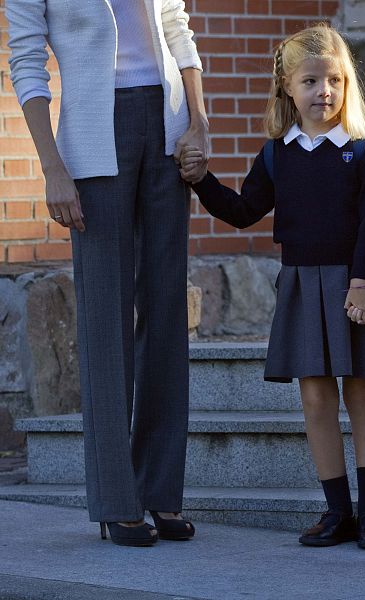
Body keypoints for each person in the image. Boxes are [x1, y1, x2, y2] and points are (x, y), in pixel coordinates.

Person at [179, 24, 365, 551]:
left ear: (348, 86)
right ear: (288, 89)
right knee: (316, 397)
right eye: (311, 80)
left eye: (336, 81)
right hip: (301, 284)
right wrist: (201, 180)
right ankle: (337, 511)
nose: (325, 91)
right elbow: (244, 210)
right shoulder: (278, 153)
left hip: (356, 284)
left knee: (362, 393)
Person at [6, 0, 208, 546]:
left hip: (166, 131)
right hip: (95, 136)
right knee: (105, 320)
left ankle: (161, 493)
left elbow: (175, 28)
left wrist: (199, 123)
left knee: (166, 313)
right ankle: (117, 501)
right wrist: (53, 167)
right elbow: (26, 60)